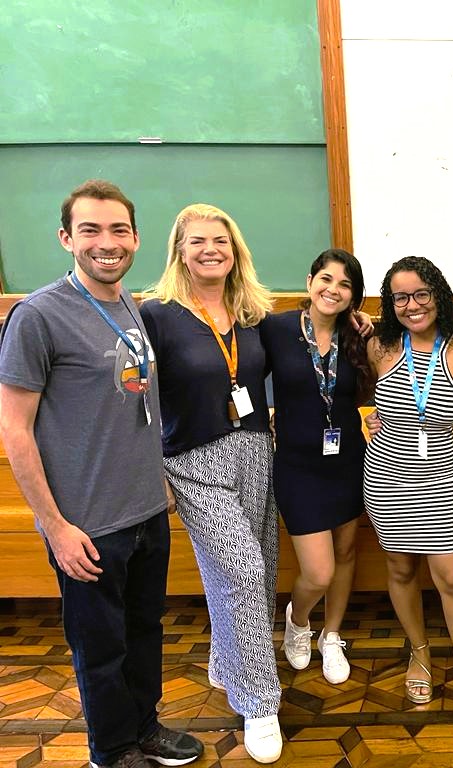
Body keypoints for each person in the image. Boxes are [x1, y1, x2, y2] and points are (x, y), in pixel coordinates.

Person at [0, 180, 204, 768]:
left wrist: (159, 481)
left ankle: (144, 729)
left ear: (136, 239)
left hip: (144, 511)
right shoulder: (38, 316)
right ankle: (111, 751)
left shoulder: (132, 309)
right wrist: (54, 526)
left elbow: (136, 406)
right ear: (67, 238)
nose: (106, 242)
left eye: (118, 230)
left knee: (143, 634)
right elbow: (15, 429)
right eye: (90, 230)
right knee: (100, 647)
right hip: (86, 524)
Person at [140, 204, 283, 763]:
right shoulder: (157, 314)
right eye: (197, 241)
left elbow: (302, 351)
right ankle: (259, 701)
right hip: (193, 462)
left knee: (259, 569)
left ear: (235, 248)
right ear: (179, 248)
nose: (210, 250)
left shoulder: (253, 312)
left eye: (220, 240)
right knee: (240, 571)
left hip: (253, 450)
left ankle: (228, 663)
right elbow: (137, 398)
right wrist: (154, 468)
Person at [362, 256, 453, 737]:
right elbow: (360, 400)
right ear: (390, 304)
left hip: (441, 480)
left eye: (421, 294)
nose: (412, 305)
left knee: (451, 577)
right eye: (400, 297)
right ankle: (418, 653)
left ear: (438, 294)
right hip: (386, 479)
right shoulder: (379, 347)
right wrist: (371, 420)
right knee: (399, 568)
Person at [262, 249, 373, 685]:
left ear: (354, 297)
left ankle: (332, 634)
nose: (333, 289)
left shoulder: (358, 335)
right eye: (326, 279)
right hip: (296, 465)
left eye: (345, 285)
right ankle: (299, 618)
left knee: (346, 553)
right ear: (310, 282)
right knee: (318, 570)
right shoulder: (275, 329)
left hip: (349, 460)